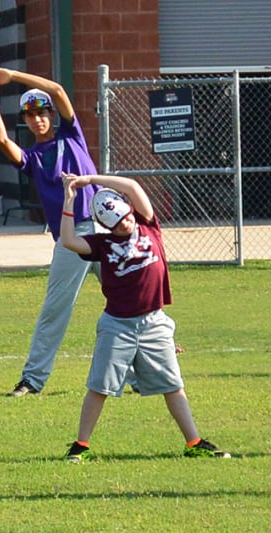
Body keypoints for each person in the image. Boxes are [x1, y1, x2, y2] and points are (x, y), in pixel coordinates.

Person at [54, 174, 229, 462]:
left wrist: (90, 179)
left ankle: (194, 442)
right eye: (118, 221)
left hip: (154, 321)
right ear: (107, 225)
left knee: (173, 384)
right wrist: (69, 199)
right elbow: (70, 240)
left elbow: (133, 187)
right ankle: (80, 445)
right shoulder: (102, 244)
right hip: (117, 325)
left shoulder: (149, 225)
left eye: (126, 214)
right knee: (100, 387)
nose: (126, 221)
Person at [0, 63, 103, 397]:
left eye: (42, 112)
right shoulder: (33, 157)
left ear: (51, 114)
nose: (38, 119)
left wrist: (14, 76)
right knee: (55, 310)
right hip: (71, 236)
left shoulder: (71, 135)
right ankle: (32, 380)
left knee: (130, 300)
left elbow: (59, 91)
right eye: (30, 115)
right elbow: (2, 139)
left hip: (105, 227)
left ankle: (145, 374)